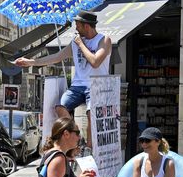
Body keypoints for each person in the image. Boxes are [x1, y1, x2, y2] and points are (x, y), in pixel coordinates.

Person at [14, 10, 112, 148]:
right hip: (78, 86)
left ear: (86, 26)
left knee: (91, 113)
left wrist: (81, 45)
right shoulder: (75, 43)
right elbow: (56, 57)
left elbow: (95, 62)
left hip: (96, 84)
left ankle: (90, 148)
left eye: (77, 25)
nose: (76, 29)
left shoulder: (104, 40)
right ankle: (77, 137)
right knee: (60, 107)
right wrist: (30, 62)